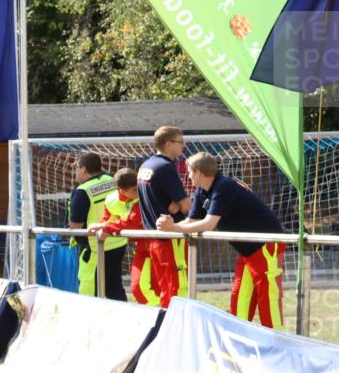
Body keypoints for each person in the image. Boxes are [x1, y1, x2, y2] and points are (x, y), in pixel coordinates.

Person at [157, 152, 286, 329]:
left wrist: (173, 228)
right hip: (247, 251)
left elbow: (209, 224)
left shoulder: (224, 186)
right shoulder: (202, 190)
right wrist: (172, 224)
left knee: (267, 297)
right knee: (240, 297)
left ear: (199, 172)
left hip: (265, 244)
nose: (187, 176)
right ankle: (238, 341)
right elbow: (192, 221)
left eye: (189, 172)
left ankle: (277, 344)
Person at [88, 168, 162, 306]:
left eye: (138, 187)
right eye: (134, 190)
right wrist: (103, 227)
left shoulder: (145, 196)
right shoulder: (111, 200)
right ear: (122, 190)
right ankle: (157, 315)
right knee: (138, 287)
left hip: (159, 245)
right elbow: (108, 219)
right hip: (143, 248)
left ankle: (160, 316)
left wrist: (105, 227)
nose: (138, 191)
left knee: (157, 287)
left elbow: (132, 224)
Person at [137, 126, 192, 308]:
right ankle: (176, 329)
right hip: (170, 238)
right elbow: (186, 206)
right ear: (169, 144)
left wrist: (179, 201)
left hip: (154, 239)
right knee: (177, 288)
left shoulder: (146, 166)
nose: (183, 146)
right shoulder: (166, 168)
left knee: (164, 287)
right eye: (180, 142)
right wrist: (186, 202)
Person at [67, 152, 125, 300]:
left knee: (90, 292)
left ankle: (91, 322)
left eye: (77, 168)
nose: (76, 172)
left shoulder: (82, 191)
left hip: (95, 248)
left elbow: (75, 226)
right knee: (115, 288)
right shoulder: (112, 180)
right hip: (118, 242)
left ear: (84, 169)